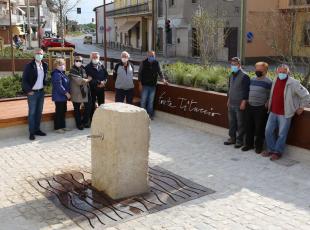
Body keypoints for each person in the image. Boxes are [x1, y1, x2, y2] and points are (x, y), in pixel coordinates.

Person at [262, 64, 310, 161]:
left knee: (282, 134)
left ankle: (277, 152)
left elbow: (306, 95)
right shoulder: (275, 80)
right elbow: (273, 93)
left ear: (288, 72)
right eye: (280, 72)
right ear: (277, 72)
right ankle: (271, 149)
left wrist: (301, 107)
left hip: (285, 113)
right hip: (273, 111)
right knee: (268, 131)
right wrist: (269, 101)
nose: (281, 74)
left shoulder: (294, 83)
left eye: (284, 72)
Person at [241, 62, 272, 154]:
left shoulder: (269, 82)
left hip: (261, 108)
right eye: (256, 69)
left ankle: (258, 147)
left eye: (260, 70)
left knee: (259, 128)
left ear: (265, 71)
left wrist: (267, 103)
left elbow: (271, 95)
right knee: (248, 127)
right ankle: (248, 145)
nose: (257, 71)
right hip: (250, 106)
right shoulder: (252, 79)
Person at [22, 48, 48, 140]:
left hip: (41, 92)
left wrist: (44, 85)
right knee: (32, 113)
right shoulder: (29, 66)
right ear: (34, 55)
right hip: (32, 93)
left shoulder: (44, 65)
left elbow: (45, 76)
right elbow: (24, 80)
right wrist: (28, 90)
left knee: (39, 112)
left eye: (41, 53)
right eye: (37, 53)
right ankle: (31, 132)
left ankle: (37, 130)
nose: (39, 55)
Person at [224, 57, 250, 148]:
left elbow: (246, 91)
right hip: (231, 103)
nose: (233, 66)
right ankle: (232, 138)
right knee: (232, 122)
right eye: (232, 64)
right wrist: (228, 100)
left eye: (235, 64)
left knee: (240, 123)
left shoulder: (245, 76)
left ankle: (239, 141)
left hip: (240, 104)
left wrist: (244, 102)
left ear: (239, 65)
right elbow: (230, 89)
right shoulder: (231, 75)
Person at [138, 51, 167, 119]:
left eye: (153, 56)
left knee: (151, 102)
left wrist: (163, 80)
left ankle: (149, 115)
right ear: (148, 56)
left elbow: (160, 72)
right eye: (150, 56)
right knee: (143, 101)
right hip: (144, 85)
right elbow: (139, 74)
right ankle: (141, 116)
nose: (151, 57)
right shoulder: (143, 62)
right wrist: (140, 84)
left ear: (154, 56)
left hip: (153, 86)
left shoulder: (156, 63)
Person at [68, 56, 92, 130]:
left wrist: (86, 80)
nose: (78, 62)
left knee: (88, 107)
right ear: (74, 61)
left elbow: (84, 78)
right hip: (76, 92)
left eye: (80, 61)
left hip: (84, 92)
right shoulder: (72, 70)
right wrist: (88, 80)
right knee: (77, 109)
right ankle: (79, 124)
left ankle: (85, 122)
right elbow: (79, 81)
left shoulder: (83, 69)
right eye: (77, 60)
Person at [85, 52, 108, 120]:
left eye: (96, 57)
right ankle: (91, 120)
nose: (95, 59)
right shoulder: (87, 67)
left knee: (102, 105)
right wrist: (99, 82)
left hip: (101, 89)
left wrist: (104, 82)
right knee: (92, 105)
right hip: (92, 89)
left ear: (99, 58)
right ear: (91, 58)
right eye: (93, 57)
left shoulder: (102, 65)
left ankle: (102, 119)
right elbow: (88, 79)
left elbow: (106, 75)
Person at [51, 58, 71, 134]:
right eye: (60, 65)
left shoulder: (62, 73)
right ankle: (57, 127)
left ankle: (63, 126)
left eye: (63, 64)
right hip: (59, 96)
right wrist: (66, 93)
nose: (62, 66)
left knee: (63, 111)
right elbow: (58, 86)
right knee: (59, 112)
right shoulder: (56, 74)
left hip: (63, 97)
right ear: (56, 66)